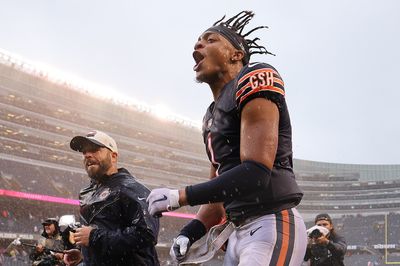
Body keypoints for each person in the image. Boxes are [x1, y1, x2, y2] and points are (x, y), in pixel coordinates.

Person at [147, 10, 307, 265]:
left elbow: (255, 172)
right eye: (199, 39)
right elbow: (218, 194)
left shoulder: (254, 77)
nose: (199, 44)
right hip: (238, 230)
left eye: (211, 40)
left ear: (236, 54)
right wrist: (190, 232)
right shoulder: (211, 116)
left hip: (271, 220)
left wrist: (180, 196)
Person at [66, 130, 159, 266]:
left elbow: (146, 235)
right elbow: (98, 233)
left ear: (113, 156)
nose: (87, 155)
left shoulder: (131, 188)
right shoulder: (86, 192)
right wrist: (84, 254)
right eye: (84, 152)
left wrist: (93, 237)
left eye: (94, 149)